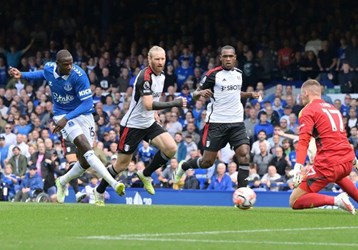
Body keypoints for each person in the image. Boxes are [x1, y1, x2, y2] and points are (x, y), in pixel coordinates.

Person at [9, 49, 125, 203]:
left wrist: (67, 118)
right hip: (61, 114)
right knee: (86, 148)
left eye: (71, 63)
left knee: (84, 162)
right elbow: (42, 73)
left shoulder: (79, 75)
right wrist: (22, 75)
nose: (70, 67)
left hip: (83, 115)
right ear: (58, 64)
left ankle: (62, 181)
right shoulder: (50, 68)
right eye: (66, 64)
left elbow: (88, 103)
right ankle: (114, 183)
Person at [94, 46, 187, 206]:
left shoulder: (162, 76)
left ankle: (145, 174)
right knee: (121, 165)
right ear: (149, 60)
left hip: (149, 123)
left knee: (172, 149)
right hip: (133, 126)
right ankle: (99, 190)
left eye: (163, 59)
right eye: (157, 59)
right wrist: (175, 103)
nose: (160, 62)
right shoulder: (145, 77)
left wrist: (155, 114)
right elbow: (149, 104)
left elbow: (153, 100)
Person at [174, 45, 259, 188]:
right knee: (207, 162)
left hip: (237, 122)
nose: (228, 59)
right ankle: (184, 166)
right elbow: (194, 95)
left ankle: (242, 193)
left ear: (235, 58)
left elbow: (234, 93)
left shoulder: (238, 73)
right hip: (216, 123)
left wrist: (249, 94)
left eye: (230, 56)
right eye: (225, 56)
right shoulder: (213, 74)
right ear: (220, 58)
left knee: (244, 155)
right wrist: (200, 94)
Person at [289, 79, 358, 215]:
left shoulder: (307, 110)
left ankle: (337, 201)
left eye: (301, 94)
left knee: (295, 200)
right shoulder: (333, 109)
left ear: (306, 93)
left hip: (329, 163)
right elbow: (341, 137)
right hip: (346, 162)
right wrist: (354, 160)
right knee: (337, 175)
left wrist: (298, 166)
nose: (300, 97)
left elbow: (303, 141)